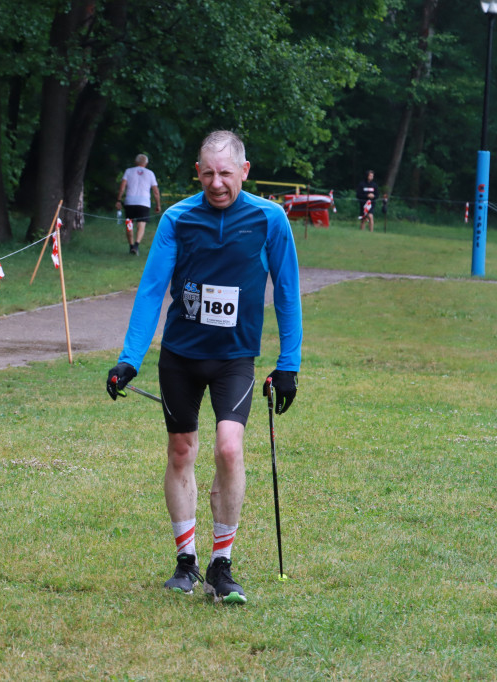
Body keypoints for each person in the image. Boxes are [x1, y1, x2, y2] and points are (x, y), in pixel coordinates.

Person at [106, 130, 303, 605]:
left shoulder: (269, 219)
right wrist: (130, 358)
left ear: (245, 172)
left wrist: (289, 362)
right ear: (198, 172)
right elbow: (152, 290)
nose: (217, 184)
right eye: (208, 173)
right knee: (181, 451)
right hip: (180, 356)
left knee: (229, 449)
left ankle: (222, 564)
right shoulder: (178, 218)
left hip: (235, 357)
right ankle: (186, 560)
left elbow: (288, 293)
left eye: (226, 174)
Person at [115, 154, 162, 255]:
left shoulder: (128, 171)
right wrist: (158, 204)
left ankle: (131, 245)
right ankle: (136, 245)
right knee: (141, 224)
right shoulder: (150, 173)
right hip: (143, 202)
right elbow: (156, 191)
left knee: (129, 223)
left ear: (135, 162)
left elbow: (122, 187)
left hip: (129, 202)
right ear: (146, 163)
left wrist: (118, 200)